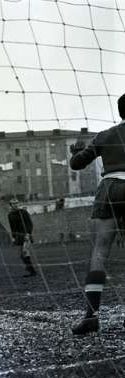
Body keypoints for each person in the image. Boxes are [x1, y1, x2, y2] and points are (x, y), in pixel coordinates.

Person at [68, 93, 125, 335]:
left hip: (110, 188)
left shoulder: (105, 135)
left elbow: (77, 164)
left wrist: (76, 151)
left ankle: (91, 316)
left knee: (100, 251)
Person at [7, 199, 37, 277]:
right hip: (19, 236)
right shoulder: (10, 215)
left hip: (26, 235)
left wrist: (28, 233)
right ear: (11, 205)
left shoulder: (23, 212)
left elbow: (30, 223)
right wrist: (13, 237)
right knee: (21, 255)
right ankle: (28, 268)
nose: (16, 205)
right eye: (14, 204)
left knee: (25, 251)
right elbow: (12, 227)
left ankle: (32, 271)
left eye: (17, 203)